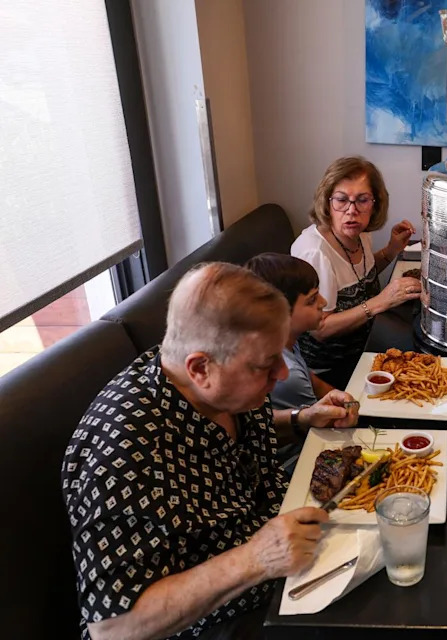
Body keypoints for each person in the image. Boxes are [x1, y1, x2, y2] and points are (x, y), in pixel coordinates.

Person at [61, 263, 355, 640]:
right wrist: (255, 559)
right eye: (267, 364)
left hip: (286, 562)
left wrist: (300, 419)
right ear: (200, 368)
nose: (282, 374)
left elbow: (243, 435)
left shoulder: (212, 378)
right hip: (213, 621)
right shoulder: (124, 450)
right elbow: (113, 626)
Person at [291, 156, 421, 388]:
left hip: (363, 349)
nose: (352, 211)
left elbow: (360, 279)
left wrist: (391, 251)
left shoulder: (359, 234)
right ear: (327, 202)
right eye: (341, 200)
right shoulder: (315, 253)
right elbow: (319, 329)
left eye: (362, 200)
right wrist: (380, 302)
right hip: (328, 371)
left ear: (375, 204)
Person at [244, 252, 359, 448]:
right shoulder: (288, 374)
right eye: (311, 300)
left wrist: (351, 402)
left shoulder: (287, 340)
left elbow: (313, 380)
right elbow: (326, 428)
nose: (323, 302)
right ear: (279, 314)